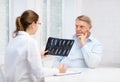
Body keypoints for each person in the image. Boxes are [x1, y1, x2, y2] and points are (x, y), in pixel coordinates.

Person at [4, 10, 47, 82]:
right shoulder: (30, 42)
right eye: (38, 23)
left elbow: (20, 61)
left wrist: (37, 56)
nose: (38, 27)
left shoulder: (13, 41)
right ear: (33, 24)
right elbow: (39, 73)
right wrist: (57, 70)